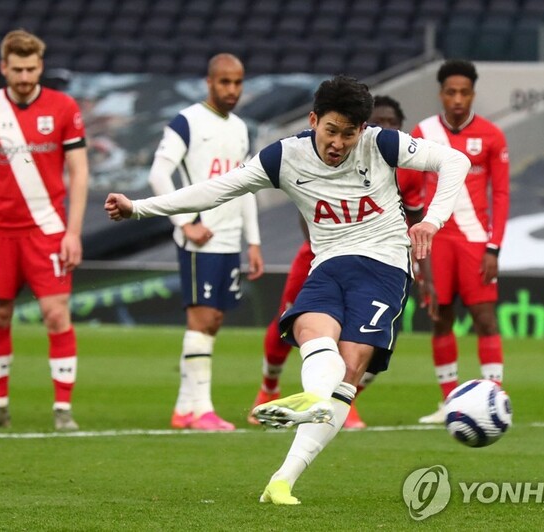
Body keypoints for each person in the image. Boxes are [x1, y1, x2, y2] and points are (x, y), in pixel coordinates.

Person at [105, 75, 469, 504]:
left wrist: (431, 221)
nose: (338, 142)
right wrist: (139, 208)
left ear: (361, 130)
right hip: (330, 263)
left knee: (350, 369)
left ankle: (283, 478)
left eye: (348, 134)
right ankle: (313, 398)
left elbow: (455, 162)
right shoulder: (284, 156)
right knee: (311, 333)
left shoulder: (381, 143)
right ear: (313, 120)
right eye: (330, 130)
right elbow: (215, 190)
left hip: (384, 265)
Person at [246, 95, 438, 430]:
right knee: (290, 321)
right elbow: (308, 212)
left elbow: (415, 218)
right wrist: (331, 251)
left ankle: (343, 400)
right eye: (379, 121)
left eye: (392, 123)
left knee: (369, 340)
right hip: (322, 255)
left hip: (382, 262)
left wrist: (425, 273)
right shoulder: (337, 154)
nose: (386, 128)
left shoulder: (407, 169)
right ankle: (268, 390)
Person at [0, 29, 89, 431]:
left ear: (40, 66)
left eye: (32, 69)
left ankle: (62, 410)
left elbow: (80, 171)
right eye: (17, 69)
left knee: (56, 315)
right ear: (4, 67)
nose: (25, 77)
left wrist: (73, 231)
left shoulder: (64, 107)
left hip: (47, 230)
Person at [148, 53, 264, 432]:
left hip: (230, 238)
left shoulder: (241, 128)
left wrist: (254, 241)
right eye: (225, 82)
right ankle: (202, 410)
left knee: (213, 320)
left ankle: (185, 408)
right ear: (209, 82)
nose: (232, 89)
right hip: (202, 237)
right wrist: (185, 223)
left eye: (238, 82)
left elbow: (247, 186)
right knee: (201, 319)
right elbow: (158, 174)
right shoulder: (187, 121)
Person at [401, 59, 510, 424]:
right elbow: (410, 190)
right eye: (451, 92)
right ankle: (449, 402)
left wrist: (494, 246)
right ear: (441, 94)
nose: (458, 99)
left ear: (473, 94)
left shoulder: (493, 135)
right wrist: (417, 250)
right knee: (440, 318)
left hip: (477, 240)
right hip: (438, 240)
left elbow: (502, 195)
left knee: (485, 320)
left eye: (464, 92)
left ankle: (493, 398)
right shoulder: (424, 131)